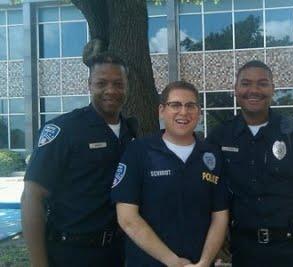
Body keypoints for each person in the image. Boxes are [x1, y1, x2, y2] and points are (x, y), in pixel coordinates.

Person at [206, 60, 293, 267]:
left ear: (273, 89)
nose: (253, 90)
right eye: (246, 83)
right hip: (246, 254)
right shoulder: (220, 138)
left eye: (262, 83)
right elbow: (209, 196)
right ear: (235, 90)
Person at [21, 53, 137, 267]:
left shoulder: (130, 132)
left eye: (118, 83)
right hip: (72, 254)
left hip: (119, 253)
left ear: (127, 86)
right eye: (102, 83)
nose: (111, 90)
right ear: (89, 85)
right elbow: (32, 197)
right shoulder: (64, 130)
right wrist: (39, 263)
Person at [111, 81, 229, 267]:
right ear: (161, 110)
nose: (183, 112)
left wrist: (205, 262)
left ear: (199, 112)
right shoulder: (139, 152)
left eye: (191, 105)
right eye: (175, 105)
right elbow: (127, 218)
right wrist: (172, 261)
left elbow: (220, 215)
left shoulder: (212, 155)